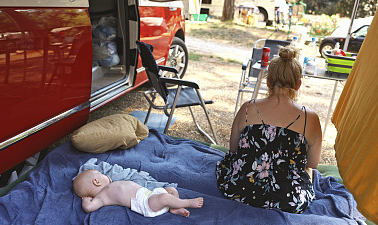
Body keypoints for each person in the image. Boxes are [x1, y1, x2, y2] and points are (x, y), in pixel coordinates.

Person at [216, 45, 322, 214]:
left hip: (241, 189)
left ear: (268, 81)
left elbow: (233, 149)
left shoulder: (248, 108)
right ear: (298, 84)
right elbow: (312, 164)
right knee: (307, 171)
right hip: (289, 199)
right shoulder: (311, 118)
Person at [73, 169, 204, 217]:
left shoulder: (111, 185)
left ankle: (175, 208)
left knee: (171, 190)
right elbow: (89, 207)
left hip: (149, 194)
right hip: (146, 204)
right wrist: (86, 200)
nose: (105, 174)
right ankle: (186, 203)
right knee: (164, 197)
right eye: (101, 174)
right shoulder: (102, 197)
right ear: (96, 181)